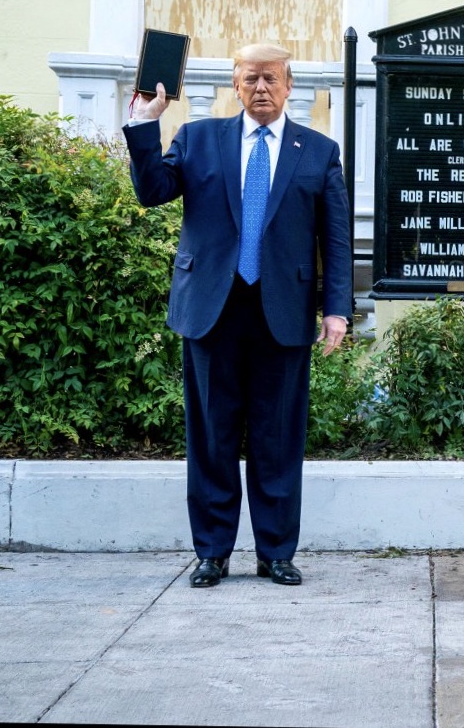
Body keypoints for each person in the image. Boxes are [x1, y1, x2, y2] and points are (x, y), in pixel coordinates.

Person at [123, 42, 352, 588]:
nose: (261, 89)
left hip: (283, 311)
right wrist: (143, 124)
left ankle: (276, 551)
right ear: (235, 83)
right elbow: (152, 191)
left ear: (289, 84)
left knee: (278, 437)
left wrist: (337, 310)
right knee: (211, 434)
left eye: (271, 79)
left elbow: (335, 240)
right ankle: (212, 552)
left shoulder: (318, 151)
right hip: (210, 310)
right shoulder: (199, 139)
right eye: (250, 79)